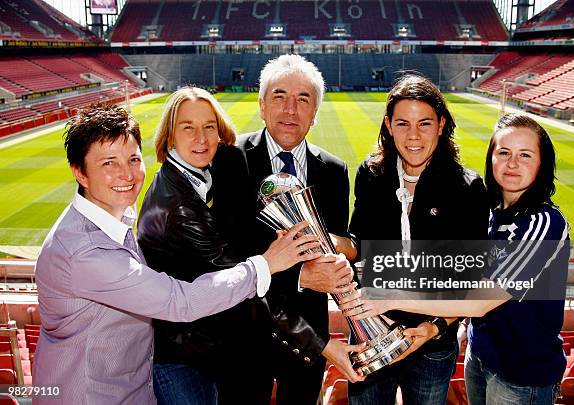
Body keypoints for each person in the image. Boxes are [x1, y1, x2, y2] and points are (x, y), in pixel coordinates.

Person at [32, 103, 320, 404]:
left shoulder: (108, 217)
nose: (127, 174)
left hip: (128, 385)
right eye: (108, 163)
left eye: (132, 159)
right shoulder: (86, 251)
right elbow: (179, 301)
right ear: (79, 172)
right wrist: (266, 264)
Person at [342, 114, 570, 405]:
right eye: (503, 152)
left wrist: (390, 297)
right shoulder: (490, 211)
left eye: (525, 155)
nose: (512, 163)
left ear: (542, 163)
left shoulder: (543, 223)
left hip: (521, 373)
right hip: (481, 357)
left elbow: (482, 299)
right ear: (491, 158)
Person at [335, 73, 490, 405]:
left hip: (431, 342)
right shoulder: (371, 175)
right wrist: (328, 243)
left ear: (441, 124)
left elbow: (471, 282)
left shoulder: (468, 189)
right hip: (371, 333)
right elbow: (359, 243)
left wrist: (434, 326)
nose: (414, 136)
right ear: (389, 126)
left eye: (425, 123)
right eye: (403, 124)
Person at [136, 86, 289, 404]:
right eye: (188, 127)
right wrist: (319, 344)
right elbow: (238, 277)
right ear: (170, 135)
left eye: (209, 127)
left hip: (200, 349)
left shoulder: (195, 180)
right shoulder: (179, 206)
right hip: (181, 360)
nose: (201, 138)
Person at [233, 54, 364, 405]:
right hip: (247, 333)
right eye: (279, 97)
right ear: (262, 106)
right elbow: (226, 253)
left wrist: (342, 254)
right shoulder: (231, 159)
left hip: (308, 337)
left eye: (303, 99)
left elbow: (335, 244)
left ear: (315, 113)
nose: (290, 110)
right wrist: (300, 277)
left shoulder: (334, 171)